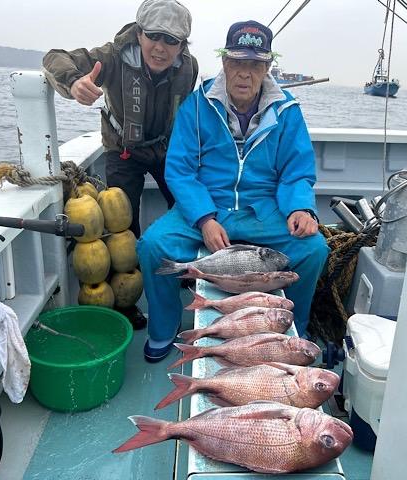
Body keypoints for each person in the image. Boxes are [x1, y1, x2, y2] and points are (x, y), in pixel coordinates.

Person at [137, 20, 330, 362]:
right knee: (153, 246)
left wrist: (300, 208)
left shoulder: (287, 111)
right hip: (207, 204)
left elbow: (296, 171)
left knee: (313, 249)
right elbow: (181, 170)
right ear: (224, 62)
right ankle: (164, 328)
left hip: (264, 209)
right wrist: (204, 218)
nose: (244, 73)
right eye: (237, 62)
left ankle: (293, 328)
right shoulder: (197, 106)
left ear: (267, 68)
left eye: (255, 64)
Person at [42, 0, 198, 330]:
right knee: (121, 227)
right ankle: (126, 302)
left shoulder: (189, 67)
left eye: (171, 40)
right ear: (139, 33)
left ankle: (187, 269)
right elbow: (55, 57)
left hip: (167, 149)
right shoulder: (112, 56)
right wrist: (74, 82)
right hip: (123, 149)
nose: (161, 47)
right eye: (153, 36)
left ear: (182, 45)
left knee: (188, 206)